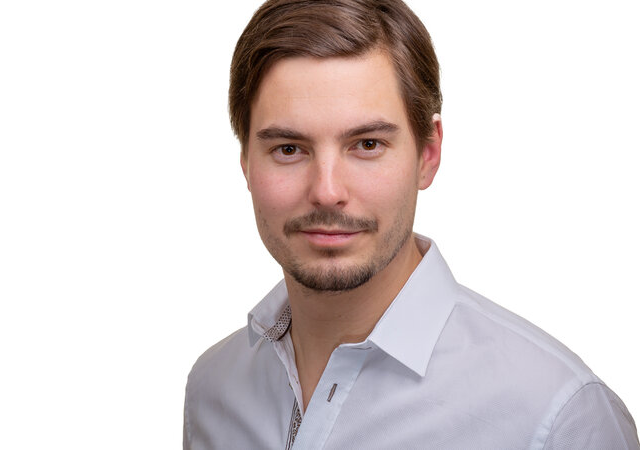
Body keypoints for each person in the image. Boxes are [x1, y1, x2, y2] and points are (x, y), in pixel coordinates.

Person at [184, 0, 639, 448]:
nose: (326, 191)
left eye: (367, 144)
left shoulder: (557, 418)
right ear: (246, 162)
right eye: (288, 149)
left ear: (428, 154)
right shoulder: (212, 389)